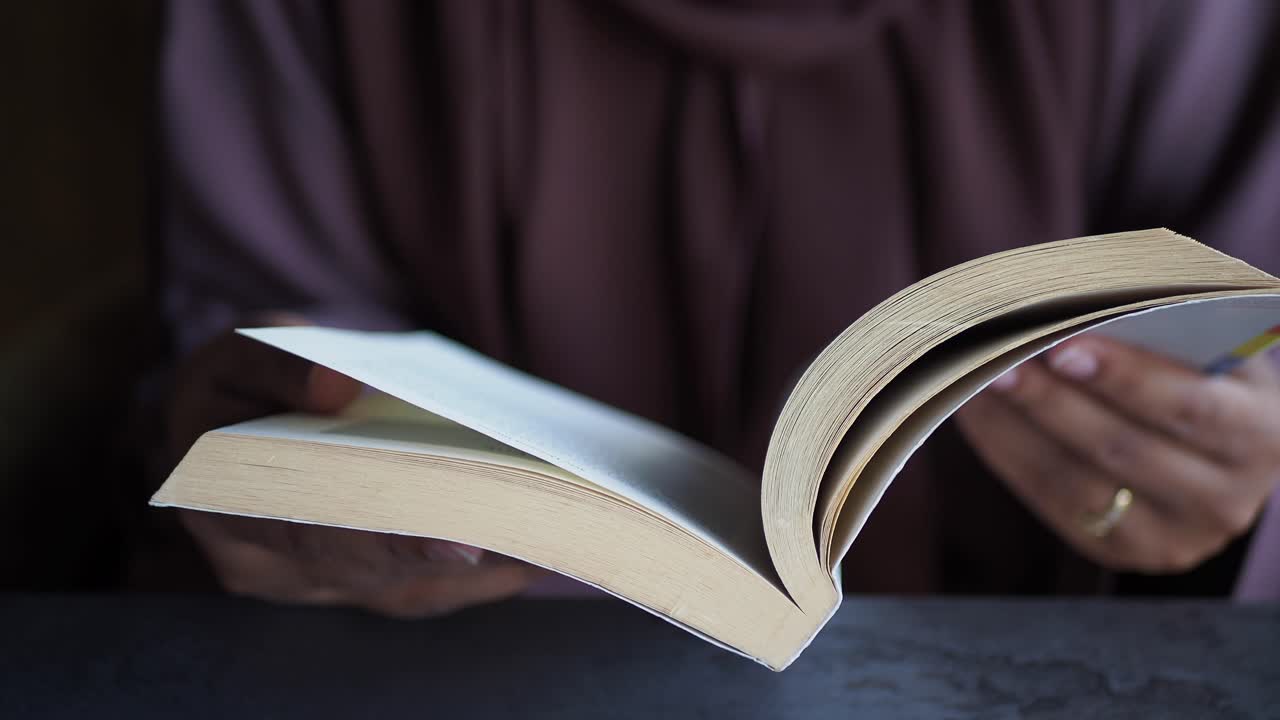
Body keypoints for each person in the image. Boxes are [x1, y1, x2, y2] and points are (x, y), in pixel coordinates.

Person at [146, 0, 1280, 617]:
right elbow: (257, 342)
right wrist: (290, 492)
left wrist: (1218, 485)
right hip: (462, 683)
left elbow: (1243, 348)